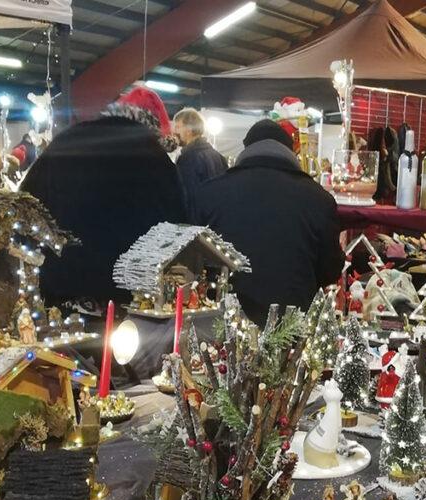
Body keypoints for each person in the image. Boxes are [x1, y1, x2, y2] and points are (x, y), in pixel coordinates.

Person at [21, 85, 186, 308]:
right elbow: (177, 228)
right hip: (127, 300)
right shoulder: (156, 160)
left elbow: (26, 204)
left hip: (55, 290)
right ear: (158, 127)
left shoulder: (69, 139)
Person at [191, 120, 343, 326]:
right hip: (293, 327)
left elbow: (194, 264)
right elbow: (329, 270)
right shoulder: (319, 199)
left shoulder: (208, 194)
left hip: (220, 326)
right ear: (291, 152)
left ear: (246, 149)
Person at [173, 108, 228, 221]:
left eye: (178, 127)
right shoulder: (218, 156)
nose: (175, 131)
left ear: (189, 130)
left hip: (195, 224)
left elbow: (188, 198)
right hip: (215, 221)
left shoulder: (188, 158)